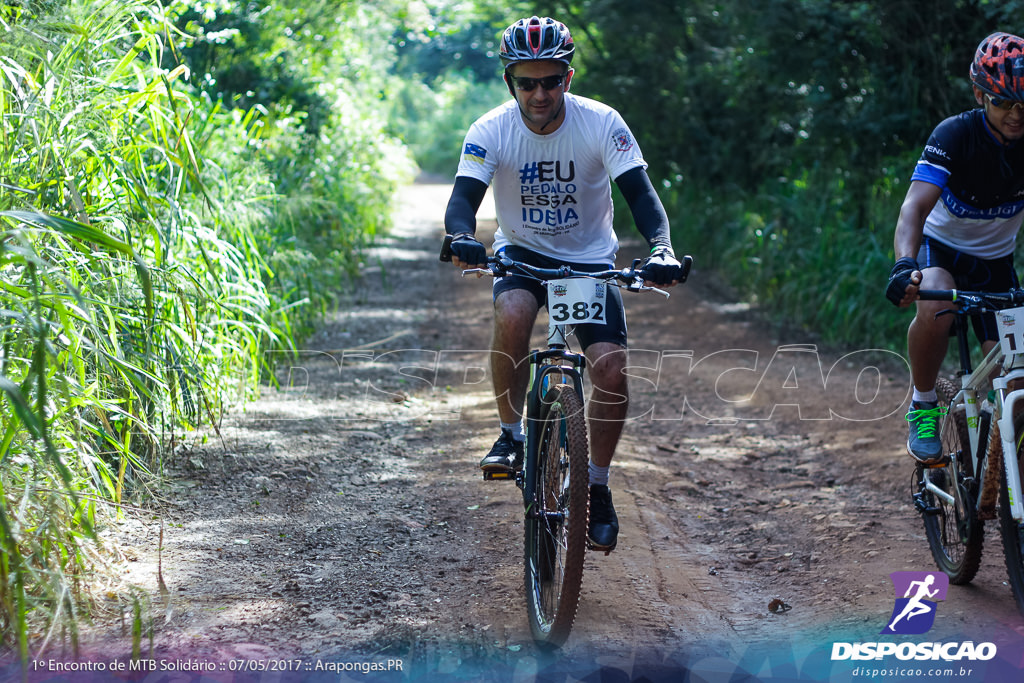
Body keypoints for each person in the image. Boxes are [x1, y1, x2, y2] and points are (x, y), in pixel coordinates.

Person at [442, 16, 685, 553]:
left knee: (611, 371)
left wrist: (661, 248)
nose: (539, 93)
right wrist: (460, 235)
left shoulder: (601, 123)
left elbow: (642, 197)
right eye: (527, 82)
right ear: (511, 83)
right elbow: (463, 200)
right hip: (522, 253)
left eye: (550, 80)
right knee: (512, 316)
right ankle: (511, 434)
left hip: (590, 261)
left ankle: (595, 485)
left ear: (567, 79)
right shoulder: (491, 129)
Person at [886, 32, 1024, 463]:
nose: (1016, 115)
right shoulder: (955, 134)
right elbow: (915, 207)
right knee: (936, 309)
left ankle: (1005, 479)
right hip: (939, 251)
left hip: (995, 266)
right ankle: (924, 404)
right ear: (980, 95)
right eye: (1004, 103)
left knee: (1018, 383)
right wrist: (904, 264)